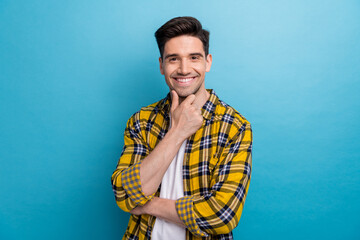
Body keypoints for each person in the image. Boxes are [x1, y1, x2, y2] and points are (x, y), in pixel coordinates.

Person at [111, 16, 252, 240]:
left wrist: (147, 204)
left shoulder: (234, 127)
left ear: (208, 62)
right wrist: (177, 133)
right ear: (162, 65)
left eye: (194, 58)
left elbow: (222, 215)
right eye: (173, 59)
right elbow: (123, 193)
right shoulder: (142, 121)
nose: (184, 69)